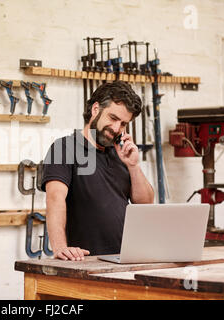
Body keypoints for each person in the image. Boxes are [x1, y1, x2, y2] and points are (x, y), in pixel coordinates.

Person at [40, 81, 154, 261]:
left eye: (123, 124)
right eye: (113, 118)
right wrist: (60, 248)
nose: (117, 128)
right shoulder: (64, 148)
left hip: (125, 259)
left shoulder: (120, 152)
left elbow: (145, 203)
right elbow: (54, 198)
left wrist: (133, 166)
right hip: (86, 261)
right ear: (95, 109)